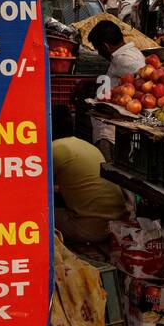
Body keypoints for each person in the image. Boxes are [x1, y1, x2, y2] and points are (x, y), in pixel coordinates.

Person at [51, 104, 129, 248]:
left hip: (93, 229)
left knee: (39, 218)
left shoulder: (55, 149)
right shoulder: (86, 145)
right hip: (118, 225)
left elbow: (34, 190)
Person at [88, 18, 146, 86]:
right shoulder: (133, 51)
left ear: (105, 46)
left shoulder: (123, 59)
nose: (99, 53)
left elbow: (144, 73)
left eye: (98, 49)